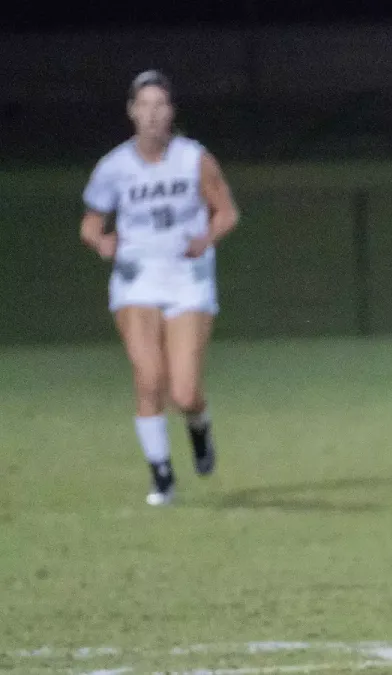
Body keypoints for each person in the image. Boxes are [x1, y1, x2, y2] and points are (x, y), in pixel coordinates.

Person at [79, 70, 240, 505]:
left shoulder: (194, 159)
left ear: (171, 112)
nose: (152, 114)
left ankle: (199, 426)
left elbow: (226, 213)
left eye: (160, 105)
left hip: (187, 278)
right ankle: (162, 476)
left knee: (184, 391)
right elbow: (90, 224)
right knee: (149, 377)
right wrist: (102, 240)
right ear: (132, 112)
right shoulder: (114, 167)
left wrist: (205, 239)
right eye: (143, 105)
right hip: (136, 280)